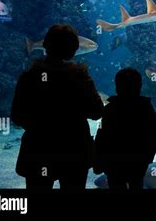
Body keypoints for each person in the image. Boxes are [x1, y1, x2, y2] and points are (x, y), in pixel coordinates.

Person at [11, 24, 104, 190]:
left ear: (46, 46)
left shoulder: (29, 76)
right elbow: (97, 111)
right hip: (74, 151)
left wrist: (39, 128)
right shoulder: (80, 76)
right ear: (74, 49)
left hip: (37, 150)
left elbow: (17, 116)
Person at [94, 68, 156, 190]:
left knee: (116, 184)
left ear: (117, 86)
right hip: (138, 161)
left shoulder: (110, 109)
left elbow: (102, 137)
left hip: (114, 162)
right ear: (140, 86)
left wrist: (98, 160)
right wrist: (148, 158)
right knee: (136, 184)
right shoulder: (146, 109)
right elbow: (154, 135)